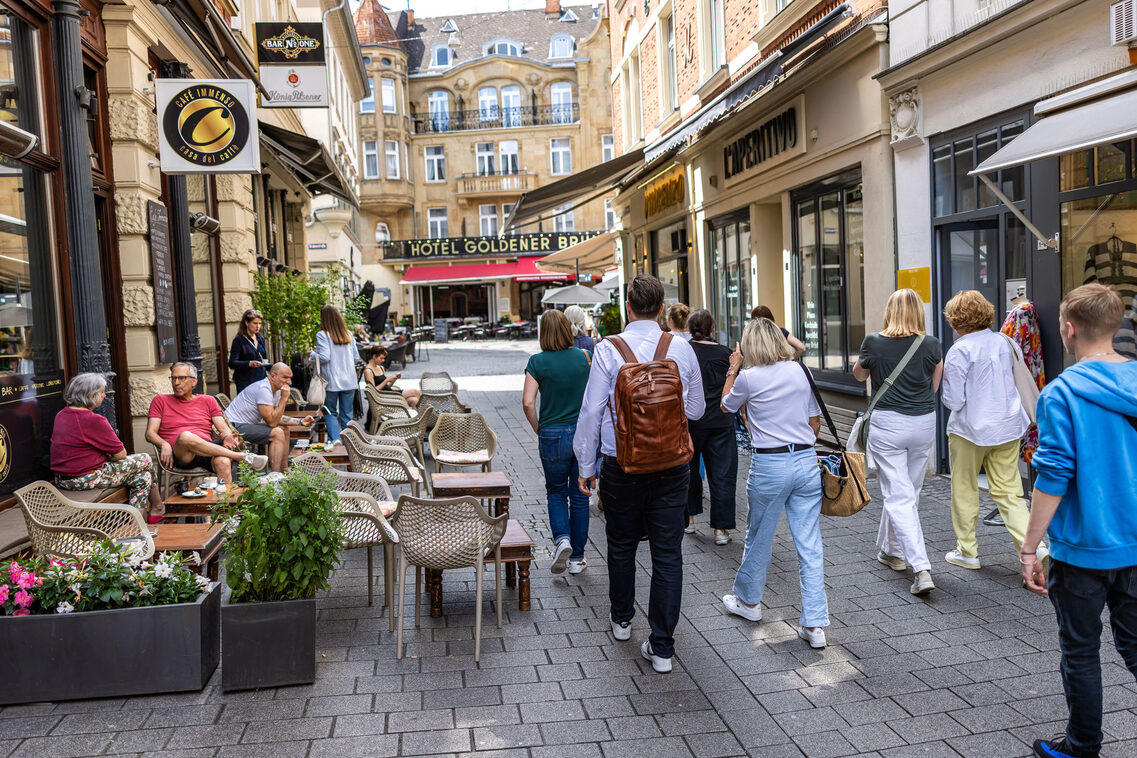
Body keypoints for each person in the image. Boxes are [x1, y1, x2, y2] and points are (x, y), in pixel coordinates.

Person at [1021, 284, 1137, 758]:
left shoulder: (1062, 392)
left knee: (1081, 651)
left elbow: (1053, 476)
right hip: (1134, 545)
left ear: (1068, 328)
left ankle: (1082, 746)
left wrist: (1030, 547)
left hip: (1082, 551)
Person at [573, 275, 704, 674]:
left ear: (628, 307)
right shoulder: (680, 348)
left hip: (622, 465)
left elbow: (591, 411)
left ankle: (622, 620)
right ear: (661, 309)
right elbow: (696, 410)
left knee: (621, 543)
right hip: (672, 467)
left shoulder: (609, 349)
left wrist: (585, 466)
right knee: (668, 554)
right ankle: (662, 648)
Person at [719, 318, 828, 648]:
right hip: (806, 460)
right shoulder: (800, 372)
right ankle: (814, 624)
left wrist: (732, 370)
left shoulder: (749, 378)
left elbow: (726, 405)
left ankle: (749, 603)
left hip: (770, 463)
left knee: (759, 536)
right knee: (810, 544)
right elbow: (814, 421)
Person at [941, 290, 1044, 571]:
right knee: (1010, 494)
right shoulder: (1005, 341)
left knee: (964, 488)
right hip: (1008, 426)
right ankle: (1034, 551)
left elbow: (954, 400)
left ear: (955, 319)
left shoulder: (959, 350)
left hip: (968, 430)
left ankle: (968, 552)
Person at [852, 289, 943, 595]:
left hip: (888, 424)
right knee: (908, 491)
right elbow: (934, 386)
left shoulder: (873, 341)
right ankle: (892, 551)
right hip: (923, 423)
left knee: (898, 495)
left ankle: (921, 568)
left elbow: (858, 376)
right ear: (919, 312)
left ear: (890, 310)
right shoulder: (932, 344)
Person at [522, 309, 592, 575]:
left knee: (555, 492)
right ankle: (578, 558)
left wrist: (539, 428)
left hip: (552, 433)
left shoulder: (537, 362)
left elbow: (528, 402)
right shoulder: (585, 356)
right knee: (580, 495)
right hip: (583, 434)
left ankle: (562, 539)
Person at [52, 373, 164, 521]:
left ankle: (137, 526)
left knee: (143, 477)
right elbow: (120, 454)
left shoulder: (61, 414)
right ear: (92, 395)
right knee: (145, 459)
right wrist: (108, 453)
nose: (105, 395)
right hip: (84, 477)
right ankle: (157, 507)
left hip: (62, 479)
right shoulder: (93, 420)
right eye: (102, 392)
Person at [146, 362, 269, 482]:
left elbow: (223, 428)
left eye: (182, 378)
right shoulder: (160, 400)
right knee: (185, 436)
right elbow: (150, 433)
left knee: (223, 462)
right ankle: (241, 457)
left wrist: (226, 436)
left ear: (194, 381)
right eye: (173, 378)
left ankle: (225, 501)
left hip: (207, 450)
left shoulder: (208, 401)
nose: (176, 383)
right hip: (181, 454)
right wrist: (164, 444)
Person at [685, 308, 737, 545]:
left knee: (688, 472)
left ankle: (689, 520)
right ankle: (721, 530)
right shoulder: (727, 353)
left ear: (689, 328)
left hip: (690, 421)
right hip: (720, 420)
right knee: (722, 475)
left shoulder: (685, 352)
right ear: (711, 329)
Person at [225, 362, 315, 472]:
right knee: (277, 433)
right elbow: (272, 422)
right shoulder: (264, 390)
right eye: (285, 377)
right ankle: (275, 476)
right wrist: (284, 399)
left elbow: (275, 417)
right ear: (273, 375)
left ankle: (284, 470)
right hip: (233, 427)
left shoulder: (276, 390)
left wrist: (301, 422)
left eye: (290, 378)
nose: (289, 382)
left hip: (247, 424)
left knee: (284, 430)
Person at [311, 305, 359, 446]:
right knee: (347, 414)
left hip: (331, 381)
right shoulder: (348, 334)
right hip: (349, 381)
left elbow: (324, 357)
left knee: (329, 411)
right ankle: (348, 443)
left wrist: (312, 355)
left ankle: (335, 440)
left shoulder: (322, 335)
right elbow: (356, 358)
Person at [229, 309, 268, 394]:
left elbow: (264, 358)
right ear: (246, 323)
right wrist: (249, 363)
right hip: (245, 382)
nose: (258, 326)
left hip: (261, 379)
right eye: (255, 323)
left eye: (259, 323)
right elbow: (232, 363)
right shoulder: (239, 340)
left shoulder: (260, 339)